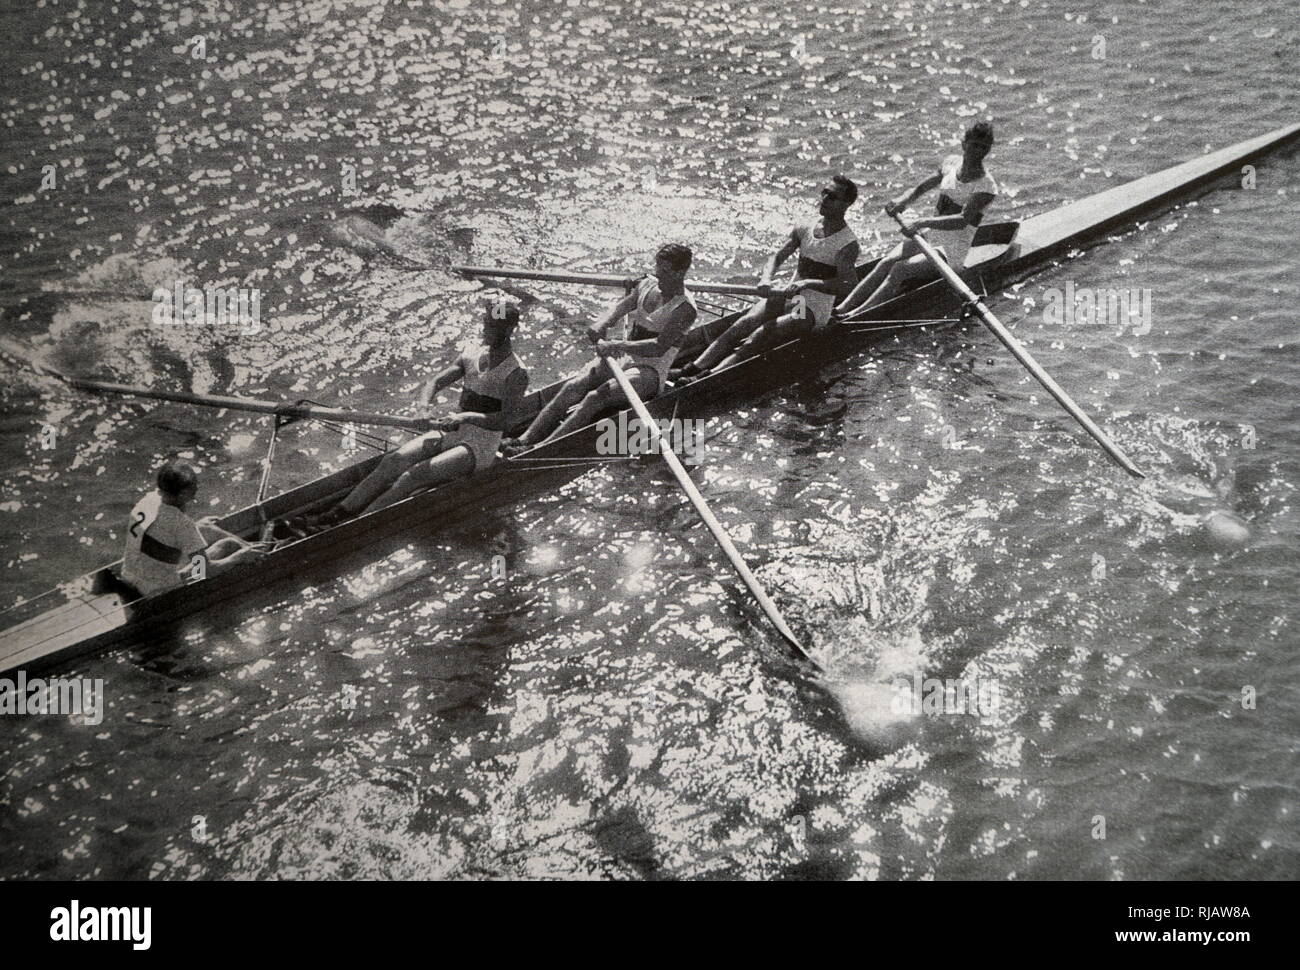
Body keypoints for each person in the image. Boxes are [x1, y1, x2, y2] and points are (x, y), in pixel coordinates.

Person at [290, 299, 528, 532]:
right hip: (453, 430)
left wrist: (465, 417)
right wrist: (423, 408)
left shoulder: (516, 373)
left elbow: (505, 421)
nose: (484, 331)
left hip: (481, 445)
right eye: (485, 324)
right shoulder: (472, 353)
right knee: (394, 460)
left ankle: (350, 528)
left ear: (508, 330)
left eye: (491, 327)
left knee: (413, 476)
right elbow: (434, 382)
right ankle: (334, 515)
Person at [502, 243, 697, 452]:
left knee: (595, 397)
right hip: (626, 357)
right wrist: (602, 323)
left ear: (680, 272)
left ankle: (540, 448)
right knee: (572, 387)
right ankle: (523, 440)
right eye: (658, 268)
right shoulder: (648, 285)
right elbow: (618, 308)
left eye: (666, 272)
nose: (659, 275)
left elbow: (658, 347)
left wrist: (616, 345)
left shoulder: (685, 309)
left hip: (651, 371)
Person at [672, 176, 860, 381]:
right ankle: (691, 369)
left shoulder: (846, 244)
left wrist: (808, 283)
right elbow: (777, 257)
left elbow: (847, 286)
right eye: (824, 192)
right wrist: (765, 279)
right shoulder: (806, 226)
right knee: (743, 324)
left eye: (832, 197)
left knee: (760, 335)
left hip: (812, 308)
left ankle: (706, 378)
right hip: (790, 295)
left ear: (846, 204)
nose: (824, 199)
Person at [837, 121, 998, 318]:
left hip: (952, 250)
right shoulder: (951, 164)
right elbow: (920, 189)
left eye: (984, 147)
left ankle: (855, 315)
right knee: (886, 261)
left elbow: (962, 220)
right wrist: (902, 202)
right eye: (974, 145)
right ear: (964, 143)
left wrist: (921, 222)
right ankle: (841, 309)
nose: (978, 151)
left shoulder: (986, 186)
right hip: (931, 236)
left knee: (899, 269)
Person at [120, 461, 264, 596]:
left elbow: (163, 529)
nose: (197, 489)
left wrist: (195, 529)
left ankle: (257, 549)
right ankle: (261, 553)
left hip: (128, 577)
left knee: (204, 527)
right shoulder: (182, 524)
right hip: (157, 592)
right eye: (194, 488)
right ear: (183, 494)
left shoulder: (147, 501)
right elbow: (204, 572)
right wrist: (239, 557)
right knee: (229, 545)